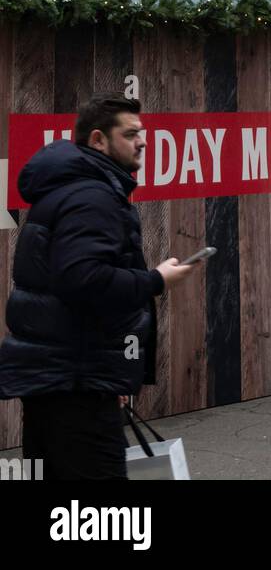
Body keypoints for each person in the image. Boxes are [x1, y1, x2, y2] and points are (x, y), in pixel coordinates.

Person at [0, 93, 195, 480]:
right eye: (130, 133)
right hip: (75, 385)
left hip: (63, 380)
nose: (141, 141)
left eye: (141, 132)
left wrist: (111, 377)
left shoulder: (68, 191)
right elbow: (83, 280)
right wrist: (157, 279)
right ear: (98, 140)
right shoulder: (92, 196)